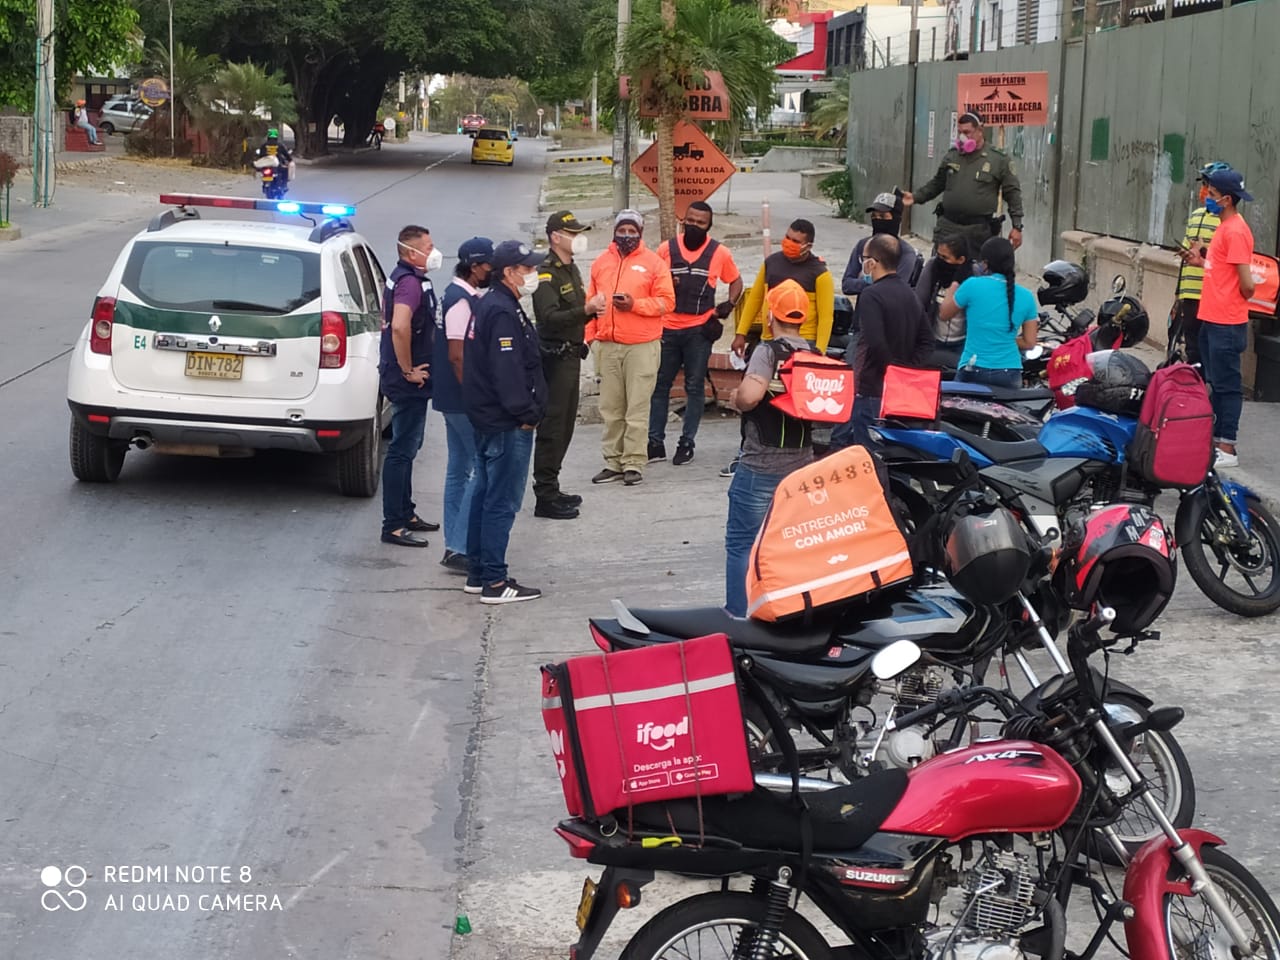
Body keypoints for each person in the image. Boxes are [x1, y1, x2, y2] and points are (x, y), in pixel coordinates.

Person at [462, 241, 549, 603]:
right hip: (505, 422)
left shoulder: (500, 304)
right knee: (501, 500)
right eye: (528, 269)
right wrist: (526, 414)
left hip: (490, 418)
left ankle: (479, 571)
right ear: (510, 272)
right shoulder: (500, 310)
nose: (534, 275)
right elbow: (507, 371)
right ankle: (495, 582)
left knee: (485, 492)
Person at [724, 280, 815, 617]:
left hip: (760, 467)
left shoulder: (768, 351)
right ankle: (789, 612)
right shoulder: (813, 353)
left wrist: (736, 399)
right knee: (790, 546)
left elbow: (750, 397)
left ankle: (738, 616)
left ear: (770, 314)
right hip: (802, 465)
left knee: (742, 544)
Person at [724, 218, 834, 477]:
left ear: (808, 245)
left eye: (796, 241)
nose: (789, 244)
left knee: (795, 408)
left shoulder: (820, 272)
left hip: (803, 348)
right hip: (768, 343)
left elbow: (827, 316)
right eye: (788, 237)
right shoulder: (772, 263)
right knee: (757, 405)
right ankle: (746, 454)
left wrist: (818, 353)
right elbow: (755, 300)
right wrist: (740, 333)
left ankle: (797, 459)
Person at [649, 201, 744, 466]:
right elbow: (651, 280)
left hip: (699, 332)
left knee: (694, 387)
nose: (694, 225)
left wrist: (729, 304)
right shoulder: (666, 249)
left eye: (700, 223)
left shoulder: (719, 253)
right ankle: (654, 443)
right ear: (683, 220)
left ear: (709, 226)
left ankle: (686, 443)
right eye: (690, 220)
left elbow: (736, 280)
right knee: (660, 386)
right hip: (667, 329)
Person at [585, 209, 676, 486]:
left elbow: (667, 302)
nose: (626, 236)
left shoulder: (654, 264)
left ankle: (634, 462)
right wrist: (591, 338)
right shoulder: (601, 263)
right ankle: (613, 461)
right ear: (615, 232)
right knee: (611, 408)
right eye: (622, 230)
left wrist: (634, 305)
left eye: (632, 231)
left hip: (642, 347)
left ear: (640, 232)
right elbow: (589, 303)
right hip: (608, 345)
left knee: (636, 409)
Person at [1179, 164, 1256, 469]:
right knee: (1214, 381)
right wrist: (1200, 262)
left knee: (1227, 385)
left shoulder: (1236, 230)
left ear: (1226, 199)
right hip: (1212, 317)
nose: (1207, 198)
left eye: (1211, 194)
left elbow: (1247, 283)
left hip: (1227, 320)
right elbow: (1220, 269)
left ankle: (1228, 445)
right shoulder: (1224, 228)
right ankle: (1215, 439)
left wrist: (1240, 295)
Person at [532, 211, 607, 519]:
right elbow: (547, 317)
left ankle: (553, 485)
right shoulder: (546, 272)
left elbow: (574, 310)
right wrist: (586, 309)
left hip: (571, 355)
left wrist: (591, 312)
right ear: (555, 237)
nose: (578, 239)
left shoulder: (571, 269)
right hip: (555, 357)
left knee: (564, 427)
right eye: (572, 234)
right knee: (552, 426)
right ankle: (544, 495)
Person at [831, 235, 934, 450]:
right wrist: (906, 370)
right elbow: (927, 341)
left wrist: (890, 371)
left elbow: (875, 343)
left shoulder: (871, 295)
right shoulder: (910, 294)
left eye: (864, 259)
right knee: (897, 457)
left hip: (872, 390)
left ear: (872, 263)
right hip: (902, 391)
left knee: (870, 456)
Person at [379, 224, 443, 547]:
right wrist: (408, 371)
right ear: (410, 252)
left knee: (408, 447)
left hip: (404, 377)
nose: (433, 252)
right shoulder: (409, 285)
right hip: (406, 381)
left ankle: (406, 513)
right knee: (401, 451)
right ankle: (393, 524)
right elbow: (400, 327)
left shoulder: (408, 278)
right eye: (428, 247)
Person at [434, 237, 494, 571]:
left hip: (450, 397)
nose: (491, 272)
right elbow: (458, 356)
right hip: (461, 399)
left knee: (458, 469)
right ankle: (459, 545)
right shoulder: (460, 302)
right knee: (477, 468)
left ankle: (454, 543)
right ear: (474, 267)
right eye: (488, 266)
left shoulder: (459, 294)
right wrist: (474, 396)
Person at [903, 112, 1024, 252]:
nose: (962, 137)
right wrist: (916, 197)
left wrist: (1017, 226)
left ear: (980, 130)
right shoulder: (952, 156)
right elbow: (937, 184)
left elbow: (1013, 194)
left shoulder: (998, 159)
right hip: (948, 228)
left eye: (967, 132)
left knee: (975, 271)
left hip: (977, 232)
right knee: (941, 269)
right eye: (959, 132)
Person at [939, 236, 1038, 389]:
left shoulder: (972, 285)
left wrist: (955, 283)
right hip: (1009, 373)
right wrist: (1001, 340)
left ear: (985, 264)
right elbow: (1030, 343)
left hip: (972, 368)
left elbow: (944, 314)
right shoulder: (1026, 296)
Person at [1169, 162, 1227, 367]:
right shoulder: (1195, 216)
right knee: (1191, 345)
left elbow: (1224, 260)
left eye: (1208, 186)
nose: (1204, 191)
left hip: (1210, 293)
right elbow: (1187, 253)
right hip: (1189, 292)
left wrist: (1203, 252)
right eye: (1203, 185)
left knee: (1209, 346)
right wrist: (1179, 292)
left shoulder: (1226, 222)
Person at [841, 192, 920, 296]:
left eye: (883, 216)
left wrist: (865, 279)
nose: (878, 220)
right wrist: (876, 282)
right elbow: (847, 285)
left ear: (896, 219)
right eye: (874, 216)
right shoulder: (863, 245)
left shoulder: (905, 252)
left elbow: (894, 290)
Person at [915, 231, 973, 368]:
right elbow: (919, 301)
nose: (940, 261)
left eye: (945, 258)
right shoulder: (933, 268)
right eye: (938, 256)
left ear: (961, 260)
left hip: (962, 343)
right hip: (934, 340)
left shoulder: (972, 276)